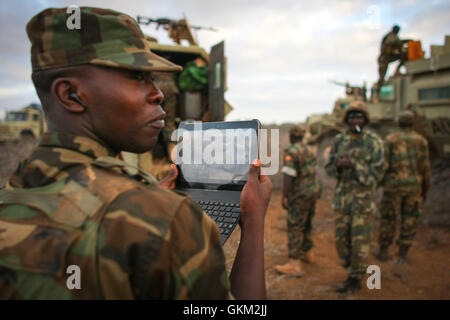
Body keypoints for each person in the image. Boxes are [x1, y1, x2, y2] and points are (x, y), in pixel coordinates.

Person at [0, 7, 272, 300]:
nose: (158, 93)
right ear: (70, 94)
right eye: (136, 77)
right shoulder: (168, 221)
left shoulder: (13, 191)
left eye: (152, 78)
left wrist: (138, 197)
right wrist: (254, 223)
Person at [325, 101, 384, 293]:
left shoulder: (374, 143)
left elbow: (378, 174)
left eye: (358, 116)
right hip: (343, 202)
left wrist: (355, 166)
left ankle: (354, 280)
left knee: (360, 243)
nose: (355, 120)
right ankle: (350, 272)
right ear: (346, 120)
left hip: (363, 203)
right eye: (351, 117)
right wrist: (337, 166)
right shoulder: (339, 140)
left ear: (365, 119)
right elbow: (329, 169)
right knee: (342, 242)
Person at [377, 110, 431, 267]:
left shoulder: (390, 139)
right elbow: (425, 167)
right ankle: (402, 254)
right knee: (409, 220)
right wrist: (425, 188)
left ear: (398, 122)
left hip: (393, 187)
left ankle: (384, 251)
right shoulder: (421, 140)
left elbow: (384, 165)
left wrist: (378, 185)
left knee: (388, 218)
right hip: (414, 187)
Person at [275, 125, 320, 276]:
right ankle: (308, 253)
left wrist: (285, 196)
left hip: (299, 194)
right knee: (307, 223)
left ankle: (295, 263)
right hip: (312, 192)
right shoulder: (309, 151)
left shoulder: (291, 152)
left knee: (295, 225)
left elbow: (289, 175)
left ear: (292, 136)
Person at [376, 25, 405, 100]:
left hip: (387, 58)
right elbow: (388, 46)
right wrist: (395, 51)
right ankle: (377, 95)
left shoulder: (394, 36)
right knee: (382, 78)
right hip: (384, 59)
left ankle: (397, 70)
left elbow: (398, 44)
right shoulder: (391, 36)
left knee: (404, 55)